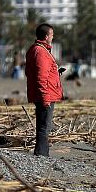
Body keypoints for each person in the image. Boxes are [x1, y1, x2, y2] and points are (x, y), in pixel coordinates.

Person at [25, 23, 64, 157]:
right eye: (52, 35)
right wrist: (45, 98)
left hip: (43, 93)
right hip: (45, 95)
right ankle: (41, 155)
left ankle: (42, 154)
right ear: (47, 36)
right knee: (44, 127)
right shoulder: (41, 52)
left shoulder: (36, 50)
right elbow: (41, 77)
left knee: (43, 126)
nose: (53, 37)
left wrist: (55, 74)